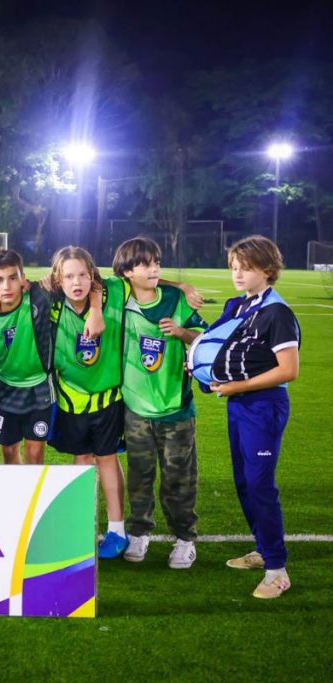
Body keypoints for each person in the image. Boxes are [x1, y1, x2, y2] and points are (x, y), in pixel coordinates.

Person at [189, 235, 299, 599]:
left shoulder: (276, 313)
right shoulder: (242, 305)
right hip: (240, 403)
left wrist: (239, 386)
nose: (237, 274)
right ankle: (263, 549)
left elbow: (288, 370)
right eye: (234, 266)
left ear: (267, 269)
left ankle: (277, 570)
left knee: (260, 485)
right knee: (243, 482)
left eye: (245, 267)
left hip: (263, 405)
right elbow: (214, 343)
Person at [113, 238, 206, 569]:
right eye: (145, 264)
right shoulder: (118, 297)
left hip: (176, 409)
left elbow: (204, 340)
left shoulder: (176, 300)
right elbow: (81, 277)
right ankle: (139, 533)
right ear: (127, 271)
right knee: (139, 476)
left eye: (157, 263)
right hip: (136, 409)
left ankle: (184, 539)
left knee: (179, 479)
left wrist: (182, 332)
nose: (154, 268)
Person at [46, 246, 129, 558]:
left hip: (108, 397)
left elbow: (147, 282)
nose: (76, 281)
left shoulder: (112, 294)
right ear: (58, 279)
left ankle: (117, 530)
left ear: (93, 276)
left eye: (82, 274)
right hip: (71, 400)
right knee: (82, 461)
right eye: (68, 276)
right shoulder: (52, 304)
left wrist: (183, 287)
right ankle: (83, 528)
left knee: (107, 458)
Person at [0, 248, 55, 465]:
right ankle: (19, 497)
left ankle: (35, 499)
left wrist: (52, 280)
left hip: (39, 388)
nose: (7, 286)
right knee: (9, 451)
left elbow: (84, 279)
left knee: (34, 453)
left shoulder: (39, 297)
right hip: (4, 388)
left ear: (23, 278)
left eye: (13, 278)